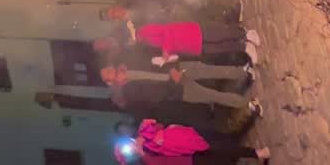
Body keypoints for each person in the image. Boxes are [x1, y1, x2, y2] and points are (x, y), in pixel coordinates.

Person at [101, 61, 264, 115]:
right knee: (213, 96)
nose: (110, 71)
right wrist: (174, 82)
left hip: (176, 69)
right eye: (107, 75)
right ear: (112, 82)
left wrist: (171, 68)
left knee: (208, 69)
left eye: (108, 69)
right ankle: (248, 104)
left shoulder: (130, 62)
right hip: (178, 90)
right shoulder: (130, 92)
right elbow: (156, 97)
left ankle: (242, 73)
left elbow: (155, 58)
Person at [114, 119, 272, 164]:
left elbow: (160, 124)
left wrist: (161, 130)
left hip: (187, 144)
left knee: (221, 148)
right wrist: (142, 154)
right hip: (189, 162)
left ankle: (256, 153)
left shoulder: (143, 132)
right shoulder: (144, 160)